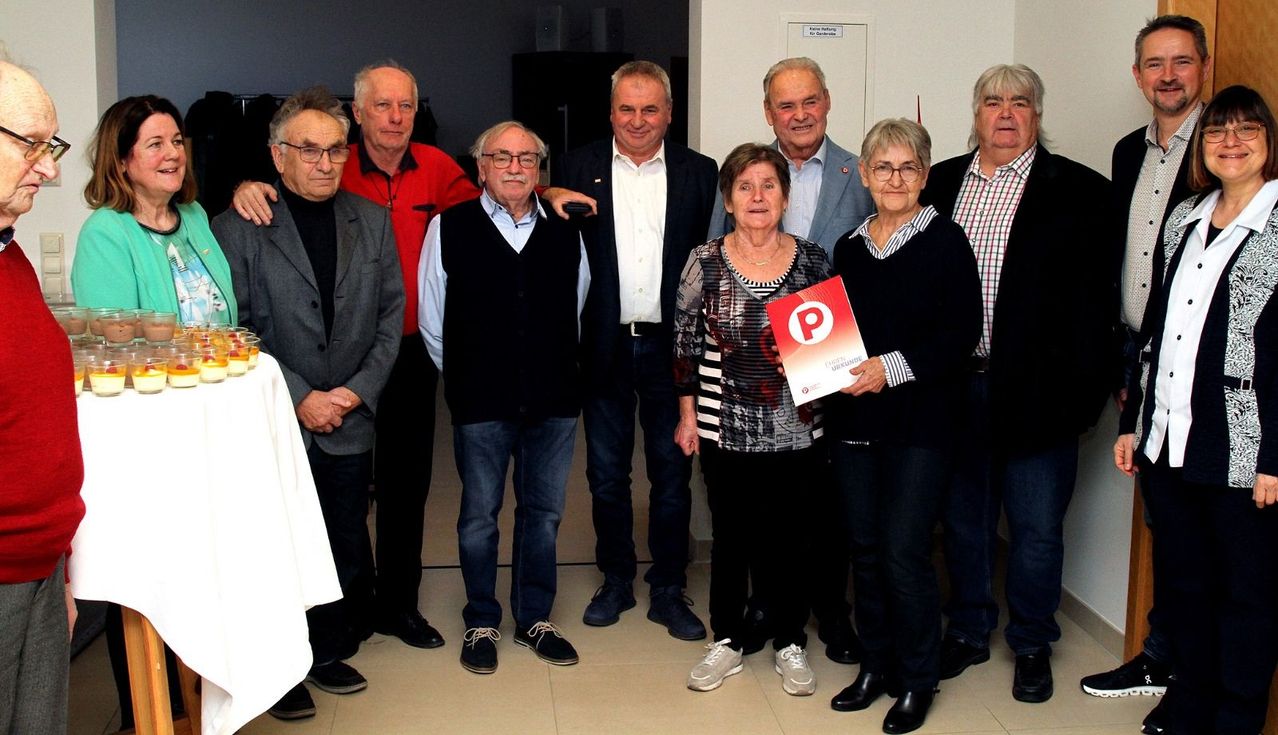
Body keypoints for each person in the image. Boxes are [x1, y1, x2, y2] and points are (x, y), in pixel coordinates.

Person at [232, 61, 480, 649]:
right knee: (320, 496)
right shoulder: (300, 187)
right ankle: (327, 618)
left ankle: (396, 604)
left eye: (406, 107)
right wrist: (242, 185)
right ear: (359, 113)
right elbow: (273, 217)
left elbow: (499, 194)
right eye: (383, 106)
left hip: (403, 355)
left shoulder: (438, 168)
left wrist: (552, 189)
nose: (395, 118)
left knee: (402, 485)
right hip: (315, 369)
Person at [919, 64, 1115, 703]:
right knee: (966, 520)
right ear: (974, 113)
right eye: (993, 102)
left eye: (1021, 103)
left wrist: (1085, 394)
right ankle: (971, 630)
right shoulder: (938, 182)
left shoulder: (1080, 189)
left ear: (1037, 113)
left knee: (1035, 529)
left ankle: (1032, 642)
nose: (1006, 114)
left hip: (1040, 394)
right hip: (955, 389)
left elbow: (1097, 304)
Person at [212, 86, 404, 720]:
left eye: (335, 151)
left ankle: (327, 649)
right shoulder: (239, 227)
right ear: (278, 154)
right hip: (275, 418)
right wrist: (299, 396)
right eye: (309, 150)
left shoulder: (370, 219)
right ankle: (278, 668)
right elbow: (232, 326)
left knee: (342, 535)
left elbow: (390, 314)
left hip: (350, 415)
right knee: (276, 543)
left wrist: (354, 392)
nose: (325, 163)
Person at [1116, 84, 1278, 735]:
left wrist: (1277, 457)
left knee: (1246, 596)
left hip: (1246, 451)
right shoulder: (1186, 216)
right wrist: (1134, 422)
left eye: (1246, 130)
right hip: (1168, 439)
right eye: (1217, 132)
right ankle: (1191, 701)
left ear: (1268, 142)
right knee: (1186, 586)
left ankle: (1235, 718)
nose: (1230, 142)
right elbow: (1156, 327)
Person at [706, 56, 870, 664]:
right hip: (753, 384)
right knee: (755, 512)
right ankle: (762, 609)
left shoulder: (862, 172)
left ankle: (830, 612)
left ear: (826, 101)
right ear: (767, 110)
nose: (798, 114)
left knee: (822, 507)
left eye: (809, 101)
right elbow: (712, 284)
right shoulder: (747, 174)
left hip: (829, 364)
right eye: (784, 104)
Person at [547, 60, 718, 640]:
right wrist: (547, 190)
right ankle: (616, 577)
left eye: (650, 109)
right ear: (611, 111)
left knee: (672, 475)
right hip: (604, 346)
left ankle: (668, 587)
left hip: (674, 350)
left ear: (669, 113)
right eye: (627, 108)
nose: (638, 120)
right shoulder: (578, 166)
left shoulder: (701, 173)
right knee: (605, 474)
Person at [825, 119, 981, 733]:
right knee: (863, 549)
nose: (895, 179)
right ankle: (875, 665)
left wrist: (890, 368)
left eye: (908, 167)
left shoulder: (947, 240)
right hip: (857, 419)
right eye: (883, 168)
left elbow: (960, 336)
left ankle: (918, 680)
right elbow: (835, 336)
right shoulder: (848, 248)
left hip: (922, 422)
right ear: (863, 175)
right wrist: (819, 367)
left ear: (925, 175)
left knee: (903, 551)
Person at [419, 120, 590, 674]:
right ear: (481, 167)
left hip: (554, 399)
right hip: (481, 402)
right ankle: (482, 620)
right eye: (502, 157)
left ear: (540, 171)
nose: (514, 167)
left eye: (526, 158)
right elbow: (432, 320)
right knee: (478, 517)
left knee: (543, 514)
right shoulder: (449, 227)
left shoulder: (567, 229)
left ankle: (534, 617)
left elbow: (577, 308)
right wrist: (471, 377)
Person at [1082, 14, 1210, 730]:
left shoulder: (1219, 149)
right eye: (1155, 64)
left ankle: (1186, 668)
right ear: (1138, 76)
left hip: (1189, 359)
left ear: (1203, 67)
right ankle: (1164, 652)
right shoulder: (1129, 150)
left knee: (1190, 521)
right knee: (1162, 513)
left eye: (1181, 62)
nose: (1168, 76)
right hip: (1136, 352)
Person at [675, 143, 828, 696]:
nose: (758, 197)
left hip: (797, 428)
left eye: (768, 185)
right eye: (745, 187)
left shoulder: (812, 261)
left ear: (785, 197)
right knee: (731, 535)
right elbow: (684, 345)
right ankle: (728, 640)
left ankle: (790, 640)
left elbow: (828, 353)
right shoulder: (705, 260)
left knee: (791, 537)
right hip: (723, 426)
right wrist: (688, 415)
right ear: (729, 200)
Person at [0, 60, 85, 735]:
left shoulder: (11, 256)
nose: (49, 168)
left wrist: (57, 558)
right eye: (31, 144)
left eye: (48, 147)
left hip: (37, 563)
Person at [72, 95, 237, 326]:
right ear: (120, 161)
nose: (173, 154)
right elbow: (115, 343)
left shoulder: (194, 214)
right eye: (156, 144)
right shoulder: (103, 233)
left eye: (177, 141)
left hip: (219, 362)